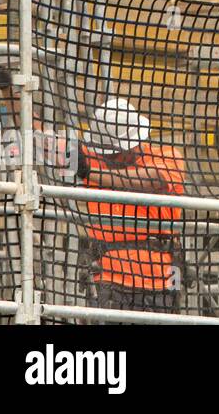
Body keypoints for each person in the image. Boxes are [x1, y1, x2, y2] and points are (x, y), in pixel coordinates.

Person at [76, 97, 186, 316]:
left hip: (163, 279)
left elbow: (152, 181)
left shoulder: (168, 157)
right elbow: (43, 141)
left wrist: (92, 173)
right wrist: (10, 92)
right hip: (109, 280)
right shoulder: (94, 158)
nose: (114, 156)